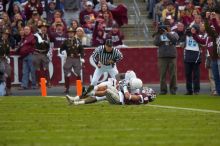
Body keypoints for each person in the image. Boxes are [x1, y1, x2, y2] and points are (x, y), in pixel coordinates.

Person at [153, 23, 179, 95]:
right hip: (162, 57)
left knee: (173, 74)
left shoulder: (174, 33)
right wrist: (158, 34)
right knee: (162, 74)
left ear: (169, 28)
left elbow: (174, 40)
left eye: (166, 27)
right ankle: (163, 90)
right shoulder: (159, 34)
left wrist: (167, 33)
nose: (164, 29)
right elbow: (155, 43)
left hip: (172, 56)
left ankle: (173, 89)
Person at [60, 27, 84, 94]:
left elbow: (81, 50)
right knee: (67, 73)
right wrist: (63, 52)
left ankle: (79, 88)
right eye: (69, 33)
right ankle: (66, 88)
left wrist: (82, 57)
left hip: (76, 58)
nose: (71, 34)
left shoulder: (78, 40)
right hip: (69, 58)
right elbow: (61, 49)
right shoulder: (65, 41)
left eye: (72, 33)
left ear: (74, 33)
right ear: (68, 34)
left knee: (78, 73)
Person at [183, 26, 201, 95]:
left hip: (196, 56)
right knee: (188, 74)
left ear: (196, 30)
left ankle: (196, 90)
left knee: (196, 75)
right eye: (191, 29)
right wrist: (186, 32)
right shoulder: (187, 36)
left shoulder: (199, 36)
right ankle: (189, 90)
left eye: (193, 29)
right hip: (188, 55)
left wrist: (194, 34)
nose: (191, 30)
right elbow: (181, 37)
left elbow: (202, 43)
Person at [33, 22, 51, 88]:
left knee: (46, 68)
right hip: (37, 53)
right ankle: (38, 82)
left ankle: (48, 82)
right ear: (40, 29)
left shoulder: (47, 36)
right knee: (37, 69)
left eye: (45, 27)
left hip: (44, 54)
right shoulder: (36, 35)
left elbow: (48, 46)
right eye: (42, 27)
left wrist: (48, 52)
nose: (44, 28)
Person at [0, 29, 15, 95]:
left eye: (7, 35)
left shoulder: (8, 43)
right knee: (2, 73)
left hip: (5, 60)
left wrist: (8, 57)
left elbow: (8, 52)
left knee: (9, 72)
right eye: (4, 34)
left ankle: (8, 88)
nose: (5, 35)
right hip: (0, 60)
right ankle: (3, 89)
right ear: (2, 35)